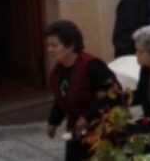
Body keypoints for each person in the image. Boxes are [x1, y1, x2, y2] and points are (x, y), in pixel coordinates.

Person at [45, 21, 120, 161]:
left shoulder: (92, 66)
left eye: (54, 45)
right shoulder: (57, 72)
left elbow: (111, 96)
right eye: (48, 46)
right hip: (76, 132)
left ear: (70, 45)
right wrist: (53, 123)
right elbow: (61, 98)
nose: (50, 50)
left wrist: (87, 117)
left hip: (100, 132)